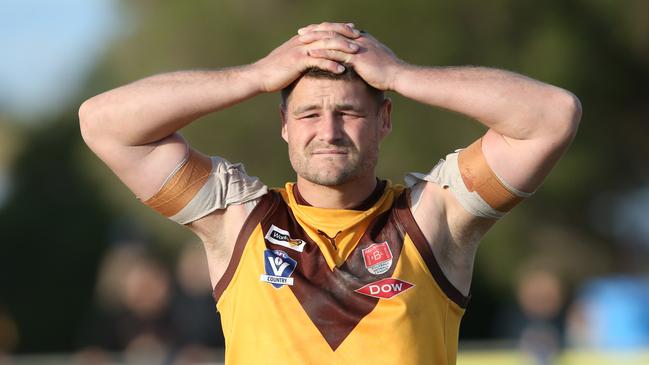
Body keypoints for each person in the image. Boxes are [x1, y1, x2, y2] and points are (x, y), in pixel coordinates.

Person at [79, 22, 581, 365]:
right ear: (284, 125)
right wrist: (252, 77)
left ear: (384, 120)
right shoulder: (237, 220)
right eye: (309, 114)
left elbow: (551, 116)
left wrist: (400, 75)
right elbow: (104, 124)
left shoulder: (434, 217)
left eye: (350, 112)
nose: (329, 131)